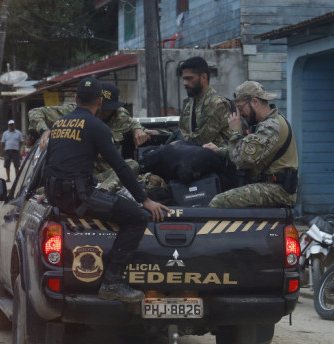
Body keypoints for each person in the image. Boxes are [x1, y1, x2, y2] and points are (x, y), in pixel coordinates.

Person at [44, 77, 169, 302]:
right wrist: (145, 200)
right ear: (100, 101)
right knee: (137, 217)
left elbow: (50, 163)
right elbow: (120, 166)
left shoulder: (60, 124)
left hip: (57, 196)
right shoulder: (97, 127)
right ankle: (112, 283)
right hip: (80, 197)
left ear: (75, 99)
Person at [204, 81, 299, 208]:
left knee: (219, 201)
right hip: (268, 184)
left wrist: (236, 132)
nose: (240, 113)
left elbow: (244, 160)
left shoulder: (270, 127)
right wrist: (218, 150)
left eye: (241, 108)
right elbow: (246, 151)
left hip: (278, 190)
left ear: (254, 102)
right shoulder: (264, 123)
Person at [178, 56, 233, 147]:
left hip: (216, 155)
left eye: (189, 78)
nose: (185, 83)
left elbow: (202, 139)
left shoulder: (217, 103)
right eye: (184, 79)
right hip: (192, 152)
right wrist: (156, 134)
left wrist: (177, 137)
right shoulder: (188, 103)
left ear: (203, 77)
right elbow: (181, 129)